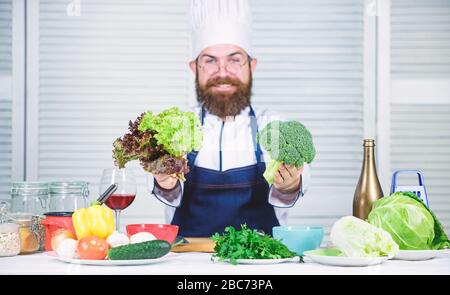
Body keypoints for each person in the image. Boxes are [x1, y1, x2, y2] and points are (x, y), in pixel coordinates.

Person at [151, 0, 310, 237]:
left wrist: (288, 186)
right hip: (187, 262)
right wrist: (166, 183)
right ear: (195, 68)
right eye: (210, 60)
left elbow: (290, 193)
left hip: (258, 263)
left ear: (251, 66)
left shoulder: (273, 127)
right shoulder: (177, 128)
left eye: (234, 59)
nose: (222, 72)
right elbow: (168, 196)